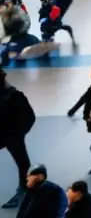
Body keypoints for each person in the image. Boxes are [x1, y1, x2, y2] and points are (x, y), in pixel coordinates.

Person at [0, 68, 34, 209]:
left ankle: (25, 192)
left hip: (12, 137)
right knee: (23, 163)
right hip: (5, 136)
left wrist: (17, 134)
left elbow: (29, 117)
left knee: (23, 164)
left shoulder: (15, 96)